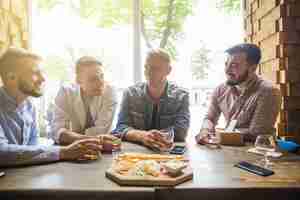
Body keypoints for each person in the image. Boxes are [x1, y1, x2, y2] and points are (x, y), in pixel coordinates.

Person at [0, 47, 102, 167]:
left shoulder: (29, 106)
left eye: (41, 72)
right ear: (11, 77)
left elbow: (32, 147)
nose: (42, 79)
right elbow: (2, 152)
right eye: (35, 72)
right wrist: (64, 152)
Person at [195, 43, 281, 144]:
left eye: (234, 65)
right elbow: (210, 118)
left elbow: (256, 133)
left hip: (259, 154)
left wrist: (222, 135)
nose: (227, 70)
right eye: (226, 64)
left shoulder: (268, 92)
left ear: (253, 68)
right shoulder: (220, 90)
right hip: (229, 150)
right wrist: (205, 130)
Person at [113, 49, 190, 150]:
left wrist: (153, 137)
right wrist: (142, 136)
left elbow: (181, 130)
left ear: (168, 70)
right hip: (134, 154)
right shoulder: (130, 93)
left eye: (155, 68)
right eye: (146, 67)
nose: (148, 72)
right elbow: (120, 127)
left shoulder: (181, 96)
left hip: (167, 154)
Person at [50, 56, 118, 146]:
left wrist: (71, 136)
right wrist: (97, 140)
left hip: (101, 150)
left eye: (102, 76)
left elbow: (103, 130)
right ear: (78, 80)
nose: (101, 83)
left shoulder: (110, 91)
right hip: (70, 149)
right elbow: (58, 133)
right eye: (93, 79)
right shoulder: (65, 92)